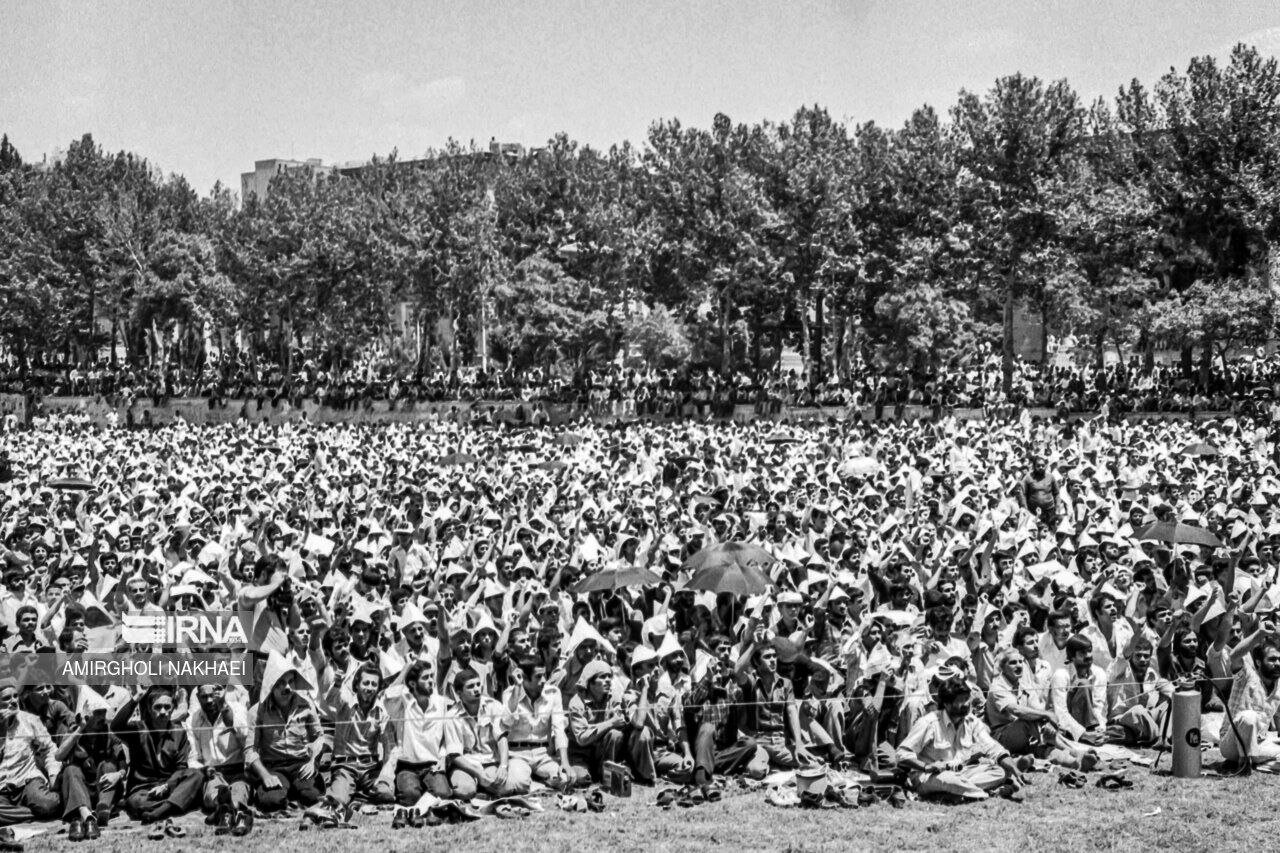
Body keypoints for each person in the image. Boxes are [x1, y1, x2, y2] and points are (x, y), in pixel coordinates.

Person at [896, 677, 1025, 801]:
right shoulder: (928, 723)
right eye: (961, 700)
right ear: (947, 704)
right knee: (949, 780)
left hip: (961, 773)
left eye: (967, 699)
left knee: (1000, 771)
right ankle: (985, 793)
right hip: (930, 776)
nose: (967, 704)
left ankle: (955, 792)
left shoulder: (971, 721)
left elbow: (993, 748)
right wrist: (926, 767)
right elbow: (901, 754)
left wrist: (1015, 769)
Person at [111, 685, 203, 823]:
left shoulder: (179, 732)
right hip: (143, 791)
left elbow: (181, 768)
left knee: (197, 774)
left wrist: (166, 786)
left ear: (173, 708)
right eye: (157, 707)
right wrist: (136, 698)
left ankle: (159, 811)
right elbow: (116, 726)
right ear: (149, 708)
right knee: (136, 803)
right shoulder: (138, 729)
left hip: (169, 786)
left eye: (167, 707)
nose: (163, 711)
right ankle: (175, 805)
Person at [246, 652, 324, 812]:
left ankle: (296, 789)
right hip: (274, 766)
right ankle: (284, 791)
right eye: (281, 683)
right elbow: (250, 750)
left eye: (290, 682)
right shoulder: (257, 711)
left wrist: (313, 762)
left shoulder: (306, 705)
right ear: (271, 685)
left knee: (313, 796)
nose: (287, 687)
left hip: (300, 763)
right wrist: (265, 776)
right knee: (270, 802)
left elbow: (319, 737)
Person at [186, 683, 254, 836]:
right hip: (213, 772)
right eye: (204, 697)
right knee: (213, 792)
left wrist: (224, 708)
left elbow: (246, 739)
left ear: (223, 692)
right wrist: (203, 769)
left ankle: (230, 812)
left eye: (213, 695)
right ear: (198, 697)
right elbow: (192, 757)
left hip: (237, 768)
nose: (210, 700)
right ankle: (230, 813)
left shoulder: (237, 709)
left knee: (239, 789)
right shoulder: (193, 720)